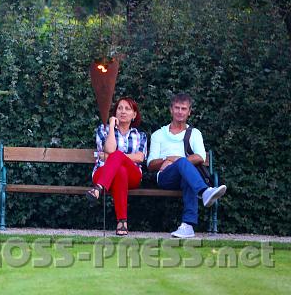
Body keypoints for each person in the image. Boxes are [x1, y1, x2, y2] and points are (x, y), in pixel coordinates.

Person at [147, 93, 227, 238]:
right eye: (177, 108)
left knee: (186, 174)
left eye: (184, 109)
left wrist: (177, 160)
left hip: (187, 177)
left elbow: (200, 157)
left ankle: (188, 226)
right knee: (183, 163)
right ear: (171, 110)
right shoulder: (158, 134)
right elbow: (151, 164)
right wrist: (167, 159)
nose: (180, 111)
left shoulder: (194, 133)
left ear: (189, 112)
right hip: (165, 177)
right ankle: (205, 192)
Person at [86, 97, 147, 236]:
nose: (123, 112)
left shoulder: (140, 135)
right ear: (115, 113)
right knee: (120, 171)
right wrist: (112, 127)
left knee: (117, 156)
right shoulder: (103, 130)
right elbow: (109, 148)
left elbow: (140, 157)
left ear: (134, 114)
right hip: (102, 173)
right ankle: (122, 222)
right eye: (119, 108)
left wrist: (114, 157)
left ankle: (99, 189)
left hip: (133, 175)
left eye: (127, 109)